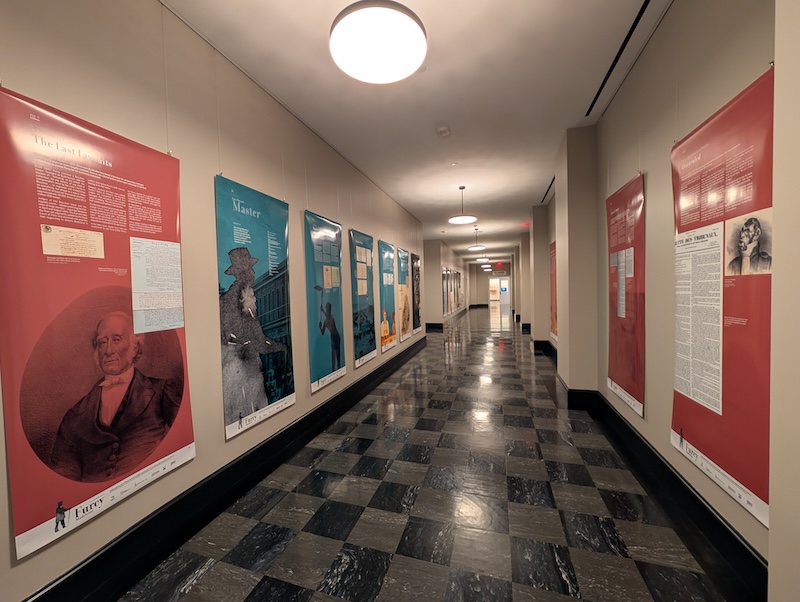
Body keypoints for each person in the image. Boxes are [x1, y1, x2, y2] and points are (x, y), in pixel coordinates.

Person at [49, 311, 182, 482]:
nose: (109, 350)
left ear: (135, 346)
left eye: (117, 340)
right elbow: (64, 476)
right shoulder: (74, 416)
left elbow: (182, 439)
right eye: (102, 342)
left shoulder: (162, 391)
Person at [219, 248, 286, 424]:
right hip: (243, 367)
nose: (254, 273)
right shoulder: (243, 296)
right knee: (250, 412)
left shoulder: (229, 296)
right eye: (250, 268)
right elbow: (258, 340)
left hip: (230, 366)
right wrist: (280, 347)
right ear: (243, 273)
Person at [319, 301, 341, 371]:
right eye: (327, 307)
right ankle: (333, 370)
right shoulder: (326, 321)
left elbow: (328, 317)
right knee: (333, 356)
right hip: (333, 337)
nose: (328, 309)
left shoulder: (331, 318)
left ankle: (338, 368)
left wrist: (322, 310)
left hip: (336, 337)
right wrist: (320, 327)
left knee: (337, 355)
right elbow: (322, 332)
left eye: (328, 308)